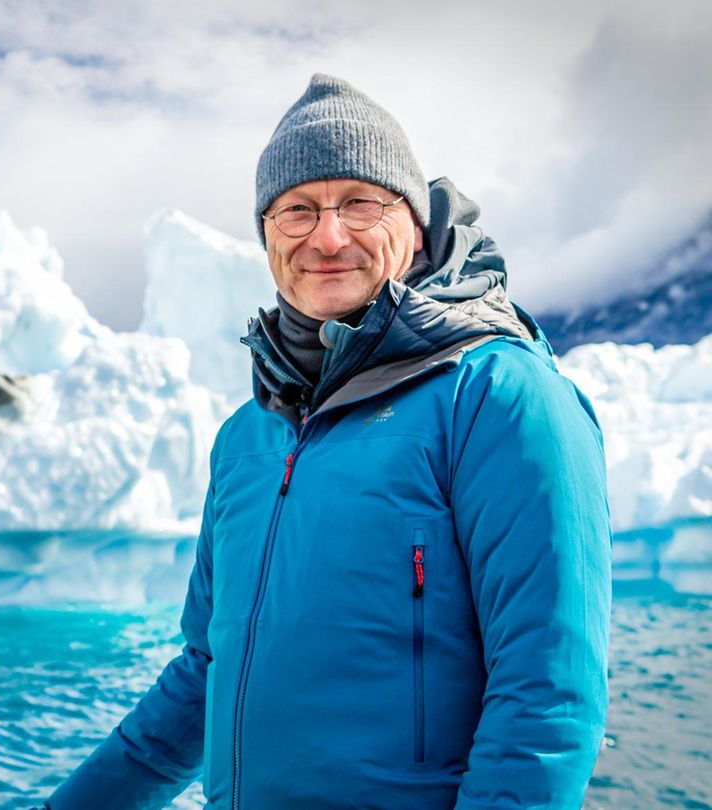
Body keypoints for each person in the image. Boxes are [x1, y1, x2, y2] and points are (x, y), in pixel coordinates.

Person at [41, 74, 612, 808]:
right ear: (267, 235)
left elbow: (547, 697)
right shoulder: (248, 436)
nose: (328, 236)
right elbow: (204, 676)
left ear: (413, 221)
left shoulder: (498, 395)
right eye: (298, 210)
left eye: (359, 203)